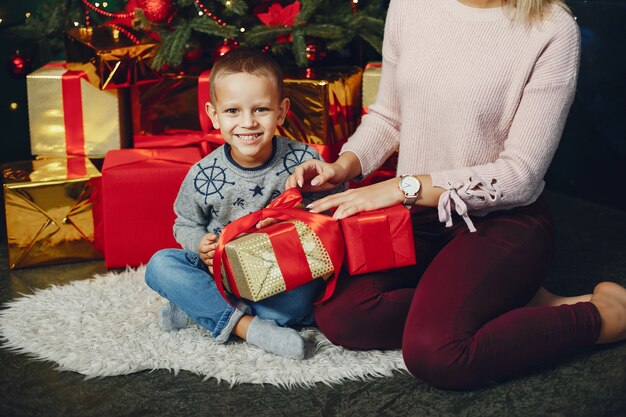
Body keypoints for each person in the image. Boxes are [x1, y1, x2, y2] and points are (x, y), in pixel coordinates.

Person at [286, 0, 626, 388]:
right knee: (343, 316)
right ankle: (509, 298)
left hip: (503, 220)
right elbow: (389, 116)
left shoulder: (551, 27)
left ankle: (603, 317)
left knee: (438, 352)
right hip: (417, 215)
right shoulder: (410, 5)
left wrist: (403, 187)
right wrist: (342, 166)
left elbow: (521, 176)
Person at [145, 48, 338, 360]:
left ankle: (200, 310)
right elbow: (185, 223)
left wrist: (297, 219)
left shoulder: (304, 160)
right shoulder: (203, 174)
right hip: (220, 274)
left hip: (280, 276)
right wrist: (199, 244)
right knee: (161, 266)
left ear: (281, 111)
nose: (247, 123)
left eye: (260, 109)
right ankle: (248, 326)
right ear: (213, 114)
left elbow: (332, 213)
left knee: (306, 301)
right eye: (233, 111)